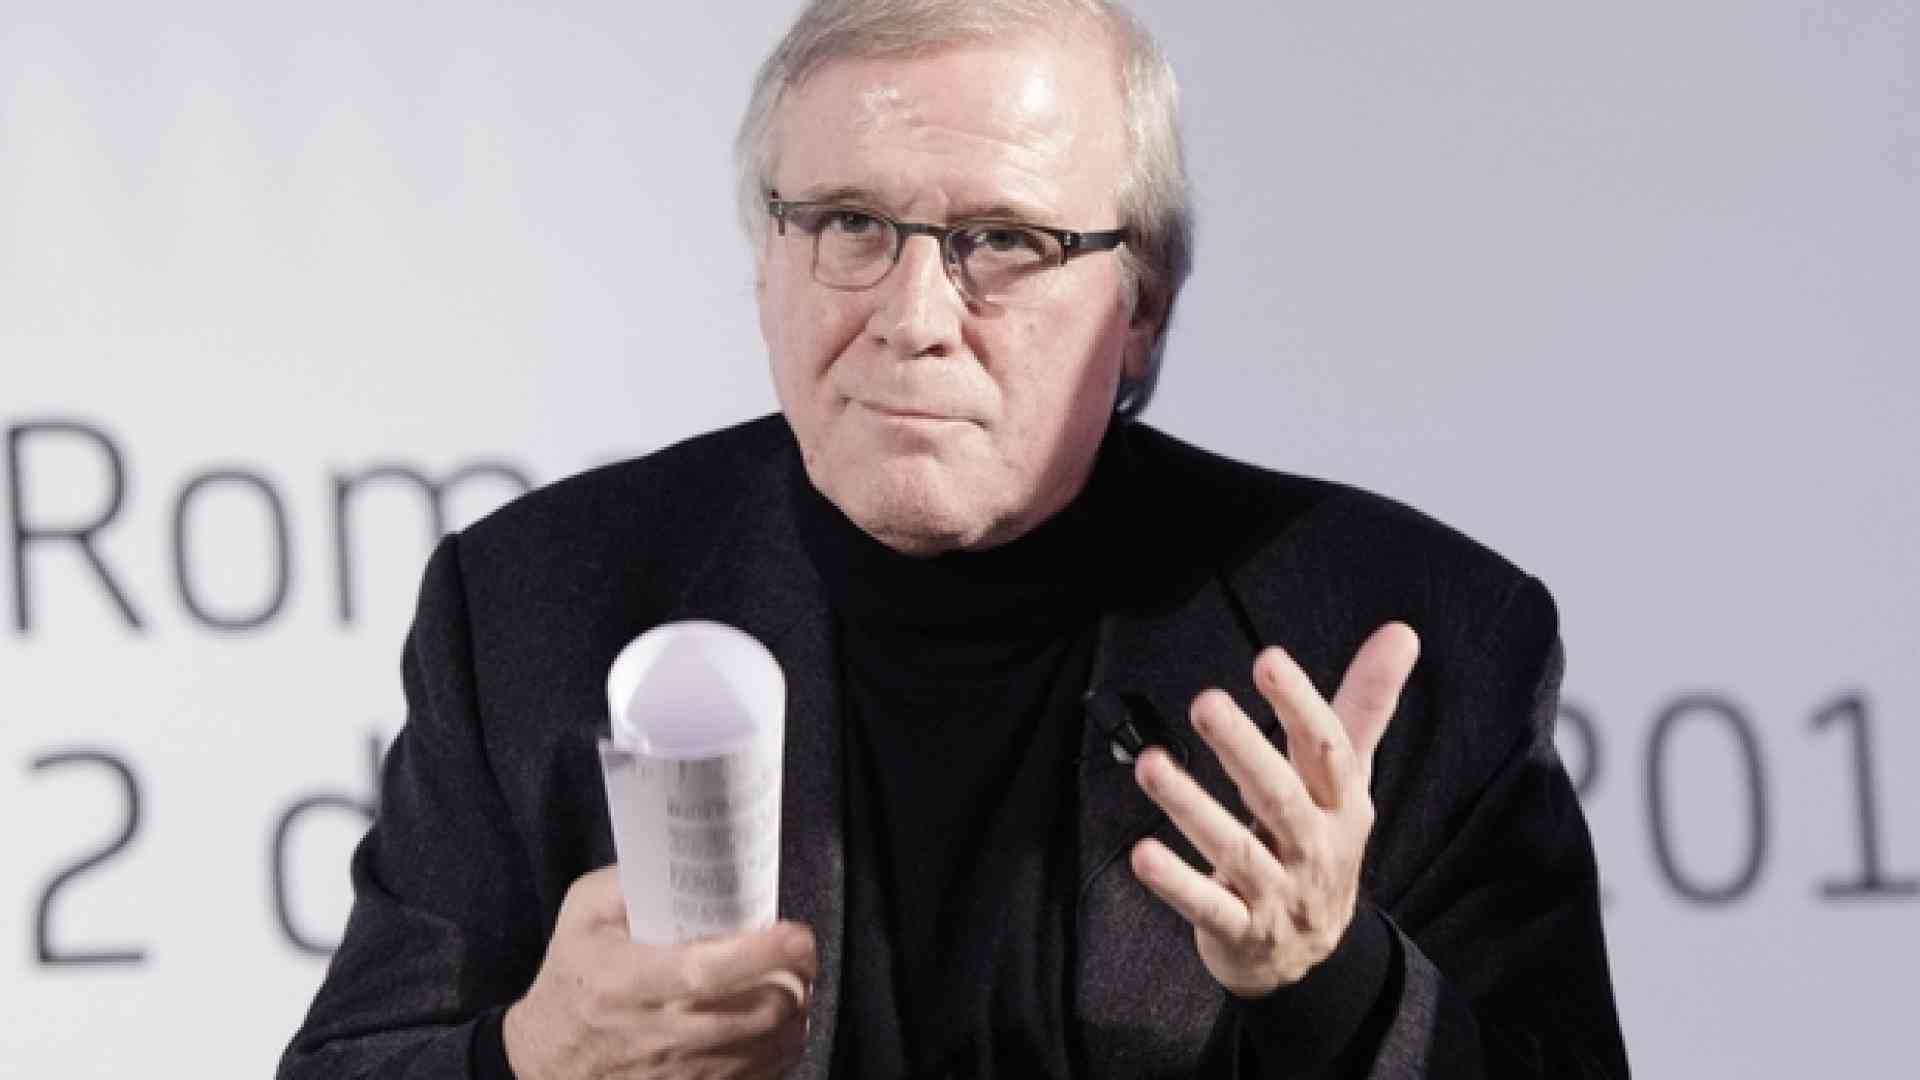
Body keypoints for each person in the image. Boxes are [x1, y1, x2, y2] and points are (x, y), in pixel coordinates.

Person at [280, 1, 1627, 1076]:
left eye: (1003, 240)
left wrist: (1334, 983)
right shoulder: (535, 605)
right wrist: (527, 1061)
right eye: (850, 224)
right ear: (766, 259)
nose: (915, 316)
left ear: (1141, 305)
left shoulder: (1412, 635)